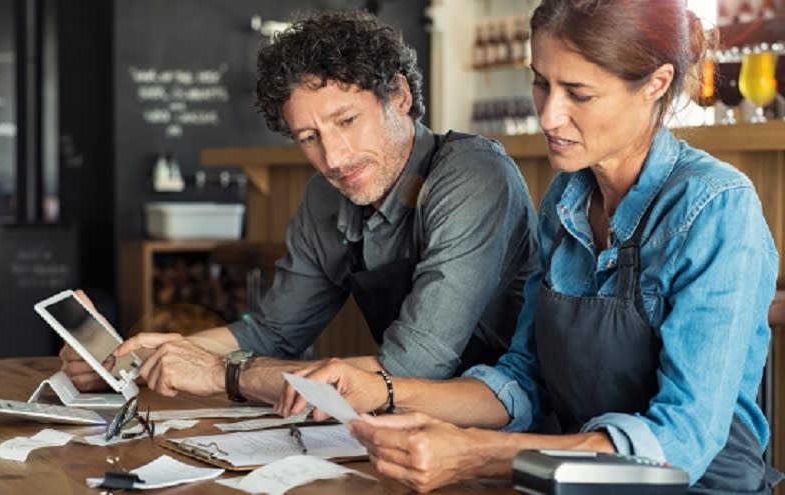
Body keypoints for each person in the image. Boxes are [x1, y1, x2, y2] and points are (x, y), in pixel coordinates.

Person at [278, 1, 782, 493]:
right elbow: (523, 378)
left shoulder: (716, 208)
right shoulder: (567, 198)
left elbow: (684, 440)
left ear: (657, 83)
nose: (548, 115)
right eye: (541, 83)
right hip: (562, 480)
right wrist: (383, 392)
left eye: (578, 93)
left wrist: (479, 454)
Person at [60, 11, 538, 405]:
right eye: (309, 138)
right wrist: (133, 360)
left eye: (347, 120)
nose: (333, 158)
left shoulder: (472, 176)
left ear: (400, 96)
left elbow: (412, 367)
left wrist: (226, 376)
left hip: (506, 425)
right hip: (407, 427)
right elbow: (270, 332)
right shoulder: (325, 197)